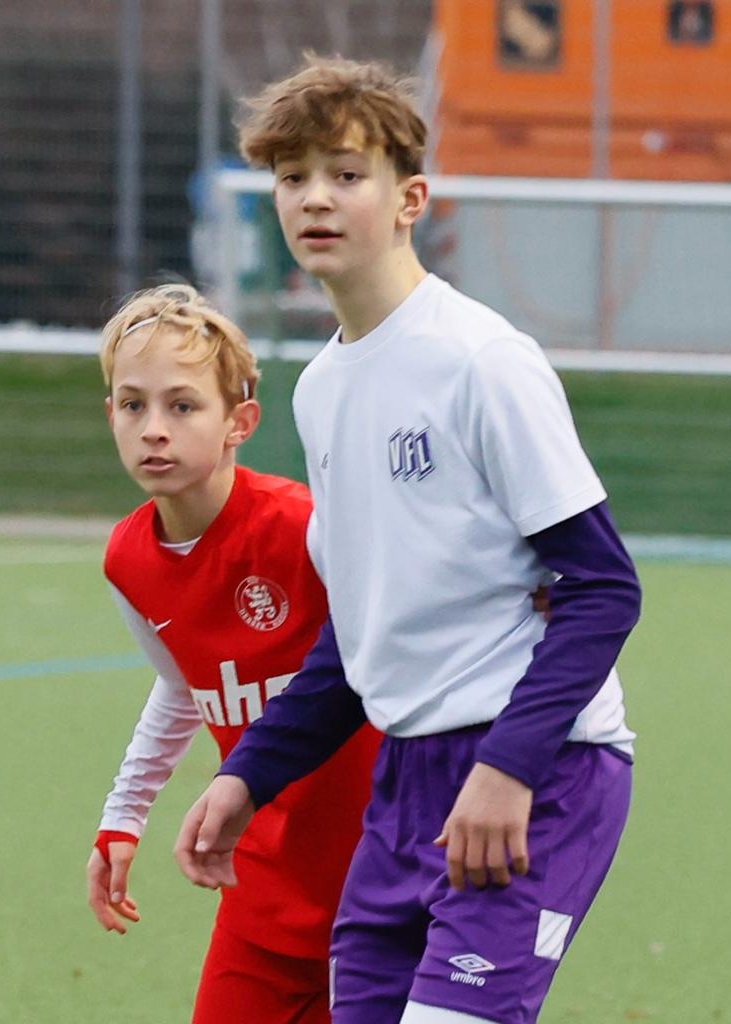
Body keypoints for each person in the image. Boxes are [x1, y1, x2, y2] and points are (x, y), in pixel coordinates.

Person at [174, 56, 643, 1024]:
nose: (315, 197)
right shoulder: (322, 390)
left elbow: (602, 587)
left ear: (408, 200)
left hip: (537, 769)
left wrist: (508, 768)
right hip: (404, 784)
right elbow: (359, 637)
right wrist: (248, 773)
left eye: (346, 174)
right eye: (293, 177)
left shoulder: (480, 361)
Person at [85, 283, 381, 1024]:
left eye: (183, 406)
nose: (155, 429)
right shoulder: (127, 558)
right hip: (260, 889)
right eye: (133, 405)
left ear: (238, 423)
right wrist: (124, 816)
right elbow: (182, 685)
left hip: (380, 884)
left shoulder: (305, 528)